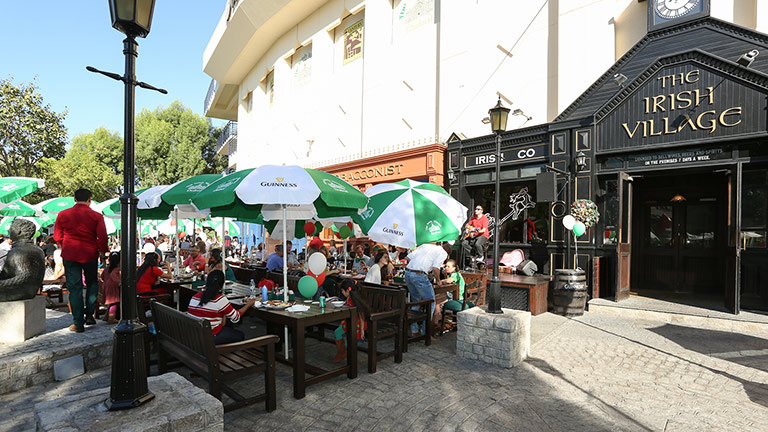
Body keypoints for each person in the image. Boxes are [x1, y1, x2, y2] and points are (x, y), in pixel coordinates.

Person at [53, 188, 108, 333]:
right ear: (90, 199)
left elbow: (57, 237)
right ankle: (90, 314)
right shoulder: (97, 216)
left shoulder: (63, 214)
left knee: (74, 288)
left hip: (70, 254)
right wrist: (102, 251)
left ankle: (78, 322)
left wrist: (66, 242)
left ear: (74, 199)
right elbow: (103, 238)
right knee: (92, 283)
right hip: (89, 253)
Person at [188, 270, 257, 345]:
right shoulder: (220, 300)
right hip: (209, 337)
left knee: (227, 324)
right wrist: (249, 304)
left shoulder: (195, 297)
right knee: (240, 335)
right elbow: (236, 317)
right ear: (222, 284)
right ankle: (222, 353)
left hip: (194, 333)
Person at [405, 242, 448, 337]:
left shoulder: (424, 246)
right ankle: (425, 333)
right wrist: (438, 280)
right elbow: (436, 268)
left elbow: (408, 258)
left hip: (407, 273)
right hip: (419, 275)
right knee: (431, 302)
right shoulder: (442, 252)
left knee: (416, 301)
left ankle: (414, 330)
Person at [332, 279, 365, 362]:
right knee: (337, 332)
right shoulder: (349, 298)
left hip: (356, 324)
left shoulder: (356, 300)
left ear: (348, 290)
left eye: (343, 290)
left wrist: (362, 329)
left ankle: (353, 361)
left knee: (349, 343)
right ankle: (341, 353)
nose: (342, 292)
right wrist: (343, 320)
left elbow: (361, 316)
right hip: (348, 321)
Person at [436, 259, 466, 330]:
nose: (446, 268)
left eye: (448, 266)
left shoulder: (456, 274)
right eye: (446, 266)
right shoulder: (453, 274)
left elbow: (449, 281)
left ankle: (437, 322)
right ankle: (438, 320)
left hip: (457, 297)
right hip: (453, 294)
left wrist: (440, 281)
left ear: (454, 268)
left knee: (437, 303)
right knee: (436, 298)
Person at [100, 251, 121, 324]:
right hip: (114, 288)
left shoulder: (107, 269)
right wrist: (119, 282)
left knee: (111, 303)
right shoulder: (117, 269)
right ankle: (111, 318)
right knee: (113, 303)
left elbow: (102, 277)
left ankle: (107, 316)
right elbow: (114, 276)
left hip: (107, 287)